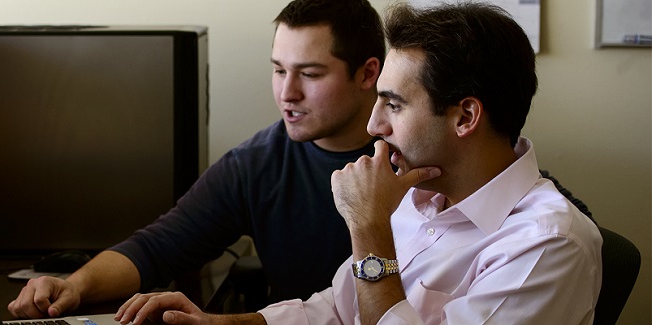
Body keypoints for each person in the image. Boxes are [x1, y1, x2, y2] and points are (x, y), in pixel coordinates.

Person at [114, 2, 603, 324]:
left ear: (465, 116)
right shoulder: (421, 193)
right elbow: (338, 309)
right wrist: (220, 323)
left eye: (392, 104)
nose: (374, 126)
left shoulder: (548, 244)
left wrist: (370, 229)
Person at [7, 0, 385, 319]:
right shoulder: (257, 163)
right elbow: (158, 248)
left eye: (310, 74)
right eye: (279, 70)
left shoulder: (420, 165)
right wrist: (73, 285)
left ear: (368, 73)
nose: (287, 92)